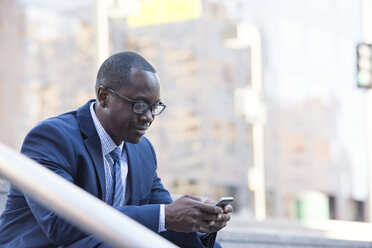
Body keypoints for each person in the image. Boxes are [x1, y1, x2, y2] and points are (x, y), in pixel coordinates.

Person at [0, 51, 232, 247]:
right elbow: (61, 224)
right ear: (104, 97)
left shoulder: (143, 151)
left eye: (154, 107)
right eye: (140, 105)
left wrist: (201, 224)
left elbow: (164, 217)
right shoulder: (52, 138)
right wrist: (164, 216)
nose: (148, 117)